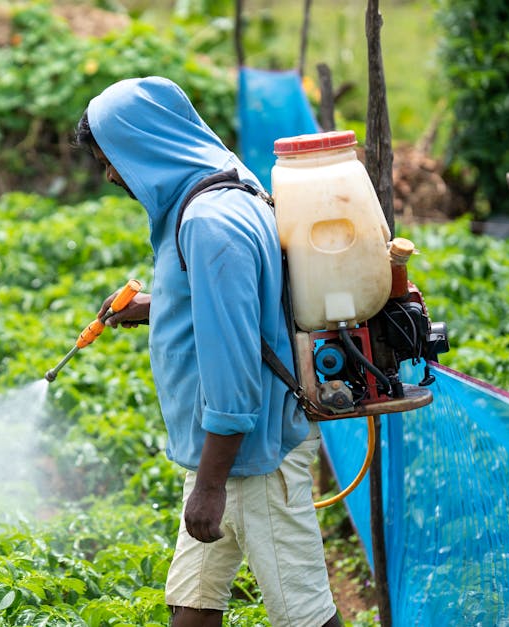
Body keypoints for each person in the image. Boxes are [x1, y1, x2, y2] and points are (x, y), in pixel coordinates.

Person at [76, 76, 341, 627]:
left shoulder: (207, 223)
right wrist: (158, 304)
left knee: (305, 617)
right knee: (191, 604)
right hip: (225, 455)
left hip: (249, 459)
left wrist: (211, 485)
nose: (110, 175)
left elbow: (235, 363)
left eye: (113, 159)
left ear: (145, 146)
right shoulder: (226, 182)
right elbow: (243, 301)